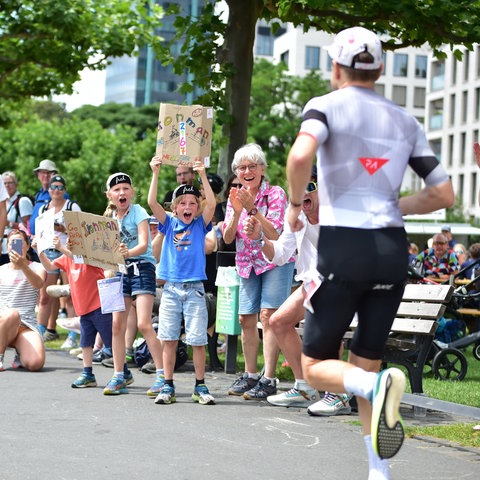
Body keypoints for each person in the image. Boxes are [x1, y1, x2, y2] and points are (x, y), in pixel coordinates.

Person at [285, 26, 454, 479]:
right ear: (380, 69)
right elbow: (443, 194)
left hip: (344, 247)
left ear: (335, 67)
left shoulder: (325, 105)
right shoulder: (406, 121)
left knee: (315, 364)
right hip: (392, 253)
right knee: (364, 361)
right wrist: (394, 205)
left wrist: (296, 204)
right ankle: (379, 473)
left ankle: (376, 386)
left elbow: (300, 158)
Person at [243, 168, 321, 409]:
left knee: (326, 328)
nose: (301, 195)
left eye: (309, 187)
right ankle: (305, 387)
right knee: (278, 321)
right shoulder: (294, 215)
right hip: (313, 282)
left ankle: (339, 394)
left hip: (341, 281)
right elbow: (279, 255)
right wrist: (259, 239)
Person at [222, 143, 295, 400]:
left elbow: (276, 234)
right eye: (242, 167)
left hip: (275, 261)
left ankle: (269, 378)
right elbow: (229, 238)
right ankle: (251, 374)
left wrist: (253, 208)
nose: (247, 171)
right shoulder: (235, 197)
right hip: (247, 263)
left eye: (253, 166)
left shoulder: (275, 194)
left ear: (262, 169)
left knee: (268, 316)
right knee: (245, 319)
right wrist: (237, 212)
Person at [148, 156, 217, 405]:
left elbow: (212, 203)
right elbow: (151, 201)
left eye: (192, 203)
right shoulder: (169, 224)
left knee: (198, 340)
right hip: (171, 289)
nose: (188, 207)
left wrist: (202, 174)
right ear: (175, 208)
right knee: (168, 339)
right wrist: (155, 173)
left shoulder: (200, 225)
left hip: (195, 290)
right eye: (182, 203)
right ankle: (167, 385)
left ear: (197, 208)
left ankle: (200, 385)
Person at [102, 172, 164, 397]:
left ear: (132, 191)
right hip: (120, 270)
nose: (122, 192)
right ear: (109, 195)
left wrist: (127, 253)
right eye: (117, 190)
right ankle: (120, 374)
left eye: (126, 188)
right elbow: (104, 251)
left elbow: (144, 244)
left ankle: (162, 374)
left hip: (141, 267)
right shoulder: (109, 220)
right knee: (117, 324)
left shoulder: (138, 211)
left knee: (144, 323)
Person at [37, 235, 113, 388]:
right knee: (85, 343)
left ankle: (122, 371)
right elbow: (50, 267)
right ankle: (87, 373)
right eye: (69, 241)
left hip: (99, 307)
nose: (70, 243)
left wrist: (60, 248)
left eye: (75, 241)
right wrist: (39, 252)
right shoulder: (66, 258)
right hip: (83, 310)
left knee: (111, 341)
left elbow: (79, 259)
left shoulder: (90, 257)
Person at [35, 175, 80, 346]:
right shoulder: (43, 209)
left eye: (60, 187)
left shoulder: (71, 206)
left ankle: (72, 336)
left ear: (65, 190)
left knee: (69, 294)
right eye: (53, 187)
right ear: (49, 189)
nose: (56, 190)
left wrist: (63, 229)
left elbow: (80, 231)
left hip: (67, 252)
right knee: (45, 295)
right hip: (49, 252)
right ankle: (39, 333)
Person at [0, 230, 47, 371]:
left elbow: (38, 284)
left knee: (35, 363)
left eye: (19, 243)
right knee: (12, 314)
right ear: (6, 247)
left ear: (27, 246)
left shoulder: (37, 267)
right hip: (4, 321)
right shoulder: (1, 270)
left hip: (26, 325)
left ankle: (20, 354)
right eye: (11, 243)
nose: (15, 247)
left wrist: (23, 266)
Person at [1, 172, 33, 265]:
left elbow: (28, 226)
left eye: (10, 183)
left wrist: (7, 223)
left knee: (17, 271)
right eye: (4, 183)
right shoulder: (4, 202)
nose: (7, 186)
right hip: (3, 243)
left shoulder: (22, 201)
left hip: (17, 243)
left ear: (16, 184)